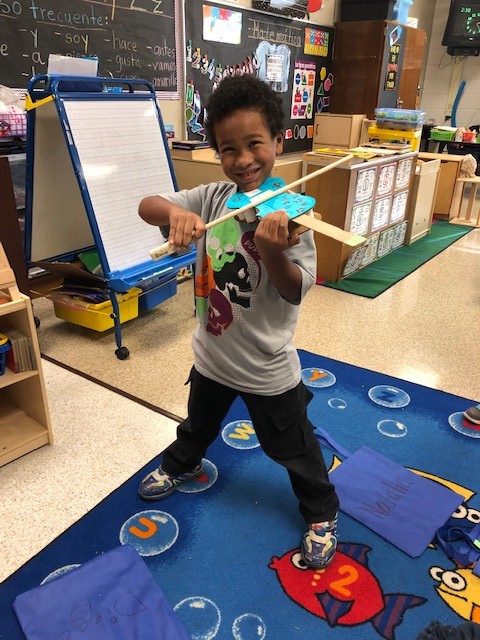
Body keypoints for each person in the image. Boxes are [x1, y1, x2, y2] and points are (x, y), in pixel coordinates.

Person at [137, 74, 339, 570]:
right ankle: (181, 464)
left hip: (268, 368)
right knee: (197, 425)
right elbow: (148, 206)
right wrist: (172, 214)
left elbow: (294, 289)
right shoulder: (212, 198)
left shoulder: (293, 215)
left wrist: (272, 250)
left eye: (254, 144)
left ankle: (321, 511)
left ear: (276, 141)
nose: (243, 160)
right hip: (211, 355)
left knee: (295, 449)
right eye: (228, 149)